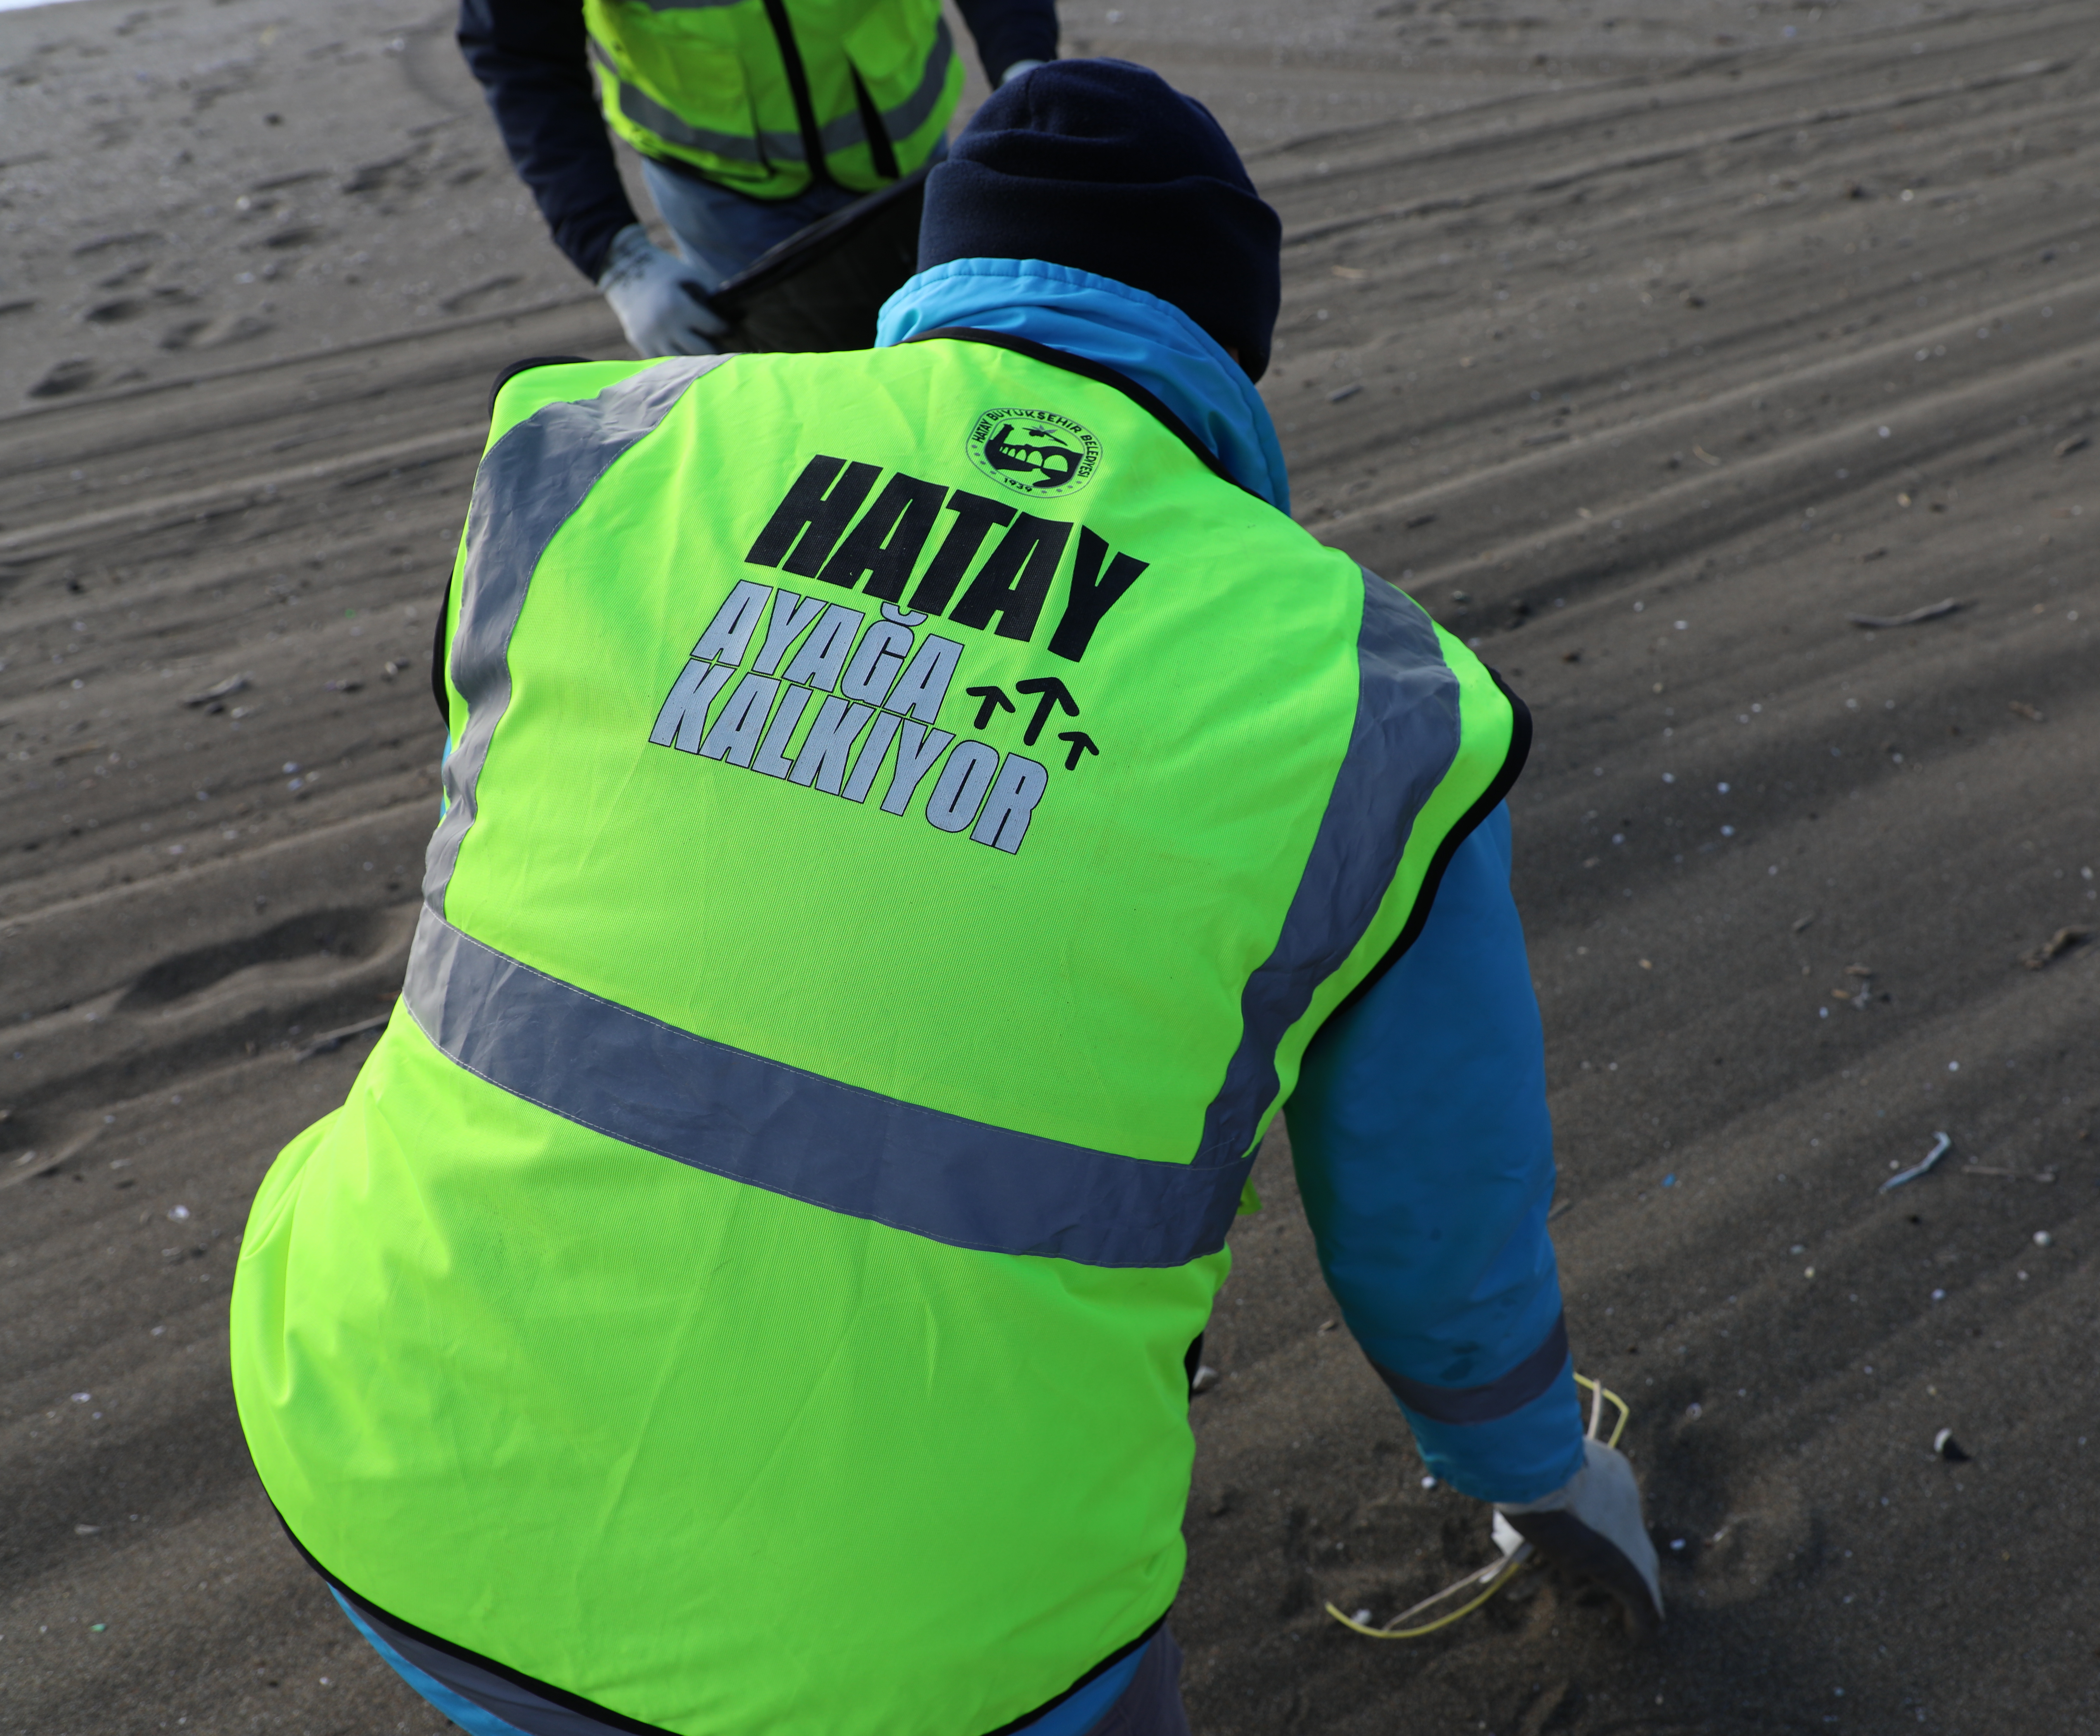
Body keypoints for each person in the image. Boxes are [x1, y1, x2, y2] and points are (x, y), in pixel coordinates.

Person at [229, 60, 1658, 1736]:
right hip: (918, 1670)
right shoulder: (1370, 698)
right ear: (1231, 340)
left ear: (936, 274)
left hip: (369, 1452)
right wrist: (1540, 1475)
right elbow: (1436, 1217)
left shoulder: (592, 454)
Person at [457, 0, 1060, 357]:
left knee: (953, 363)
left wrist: (1027, 70)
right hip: (720, 196)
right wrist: (615, 255)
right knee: (801, 412)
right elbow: (522, 55)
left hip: (909, 161)